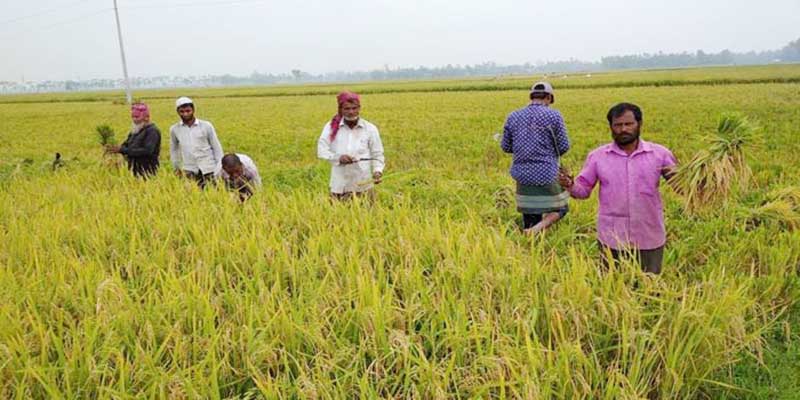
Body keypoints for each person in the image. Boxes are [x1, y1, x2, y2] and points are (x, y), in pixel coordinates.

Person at [558, 103, 677, 274]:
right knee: (612, 288)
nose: (623, 129)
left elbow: (681, 186)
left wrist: (702, 178)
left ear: (639, 124)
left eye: (628, 124)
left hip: (648, 235)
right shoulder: (598, 157)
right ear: (611, 127)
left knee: (650, 289)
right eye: (618, 125)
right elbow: (583, 190)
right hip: (612, 238)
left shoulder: (660, 154)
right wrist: (569, 184)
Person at [501, 81, 571, 234]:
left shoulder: (513, 116)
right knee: (561, 207)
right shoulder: (554, 115)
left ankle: (530, 241)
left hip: (522, 174)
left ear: (531, 96)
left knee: (531, 212)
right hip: (547, 172)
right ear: (548, 98)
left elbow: (506, 147)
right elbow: (564, 146)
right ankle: (537, 230)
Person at [317, 91, 385, 201]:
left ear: (359, 108)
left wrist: (378, 171)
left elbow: (377, 153)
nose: (351, 112)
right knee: (338, 216)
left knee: (368, 216)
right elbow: (321, 150)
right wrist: (338, 158)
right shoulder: (331, 127)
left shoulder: (370, 128)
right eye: (347, 109)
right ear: (340, 109)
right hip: (339, 186)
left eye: (354, 108)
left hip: (363, 184)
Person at [169, 97, 224, 188]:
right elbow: (174, 149)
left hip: (209, 168)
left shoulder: (206, 126)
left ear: (193, 110)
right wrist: (176, 167)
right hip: (189, 170)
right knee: (192, 196)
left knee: (214, 193)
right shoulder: (174, 129)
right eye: (182, 111)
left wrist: (220, 167)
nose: (185, 114)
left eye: (188, 111)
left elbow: (216, 146)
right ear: (177, 112)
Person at [105, 103, 161, 178]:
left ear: (146, 117)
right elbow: (126, 144)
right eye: (133, 117)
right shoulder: (135, 131)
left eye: (137, 117)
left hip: (148, 171)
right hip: (134, 170)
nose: (134, 120)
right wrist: (116, 148)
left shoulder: (152, 131)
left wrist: (123, 150)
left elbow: (147, 151)